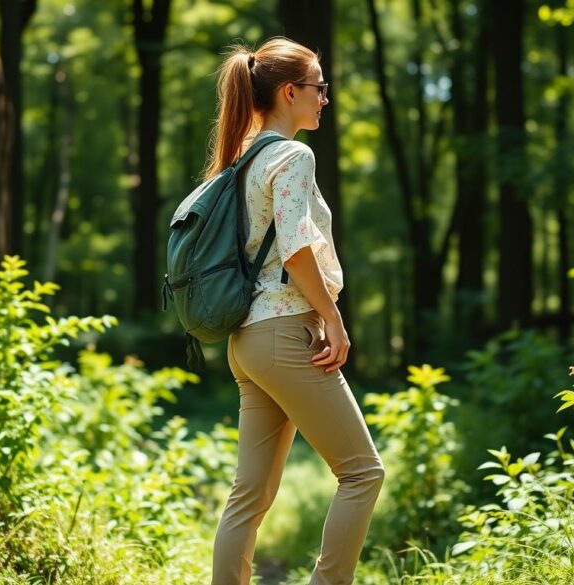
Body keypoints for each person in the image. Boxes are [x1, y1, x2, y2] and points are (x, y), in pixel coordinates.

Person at [206, 37, 386, 585]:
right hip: (287, 332)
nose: (325, 98)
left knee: (250, 495)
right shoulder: (291, 154)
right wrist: (331, 317)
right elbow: (296, 247)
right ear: (290, 92)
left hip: (247, 340)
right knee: (362, 473)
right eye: (319, 87)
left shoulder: (240, 161)